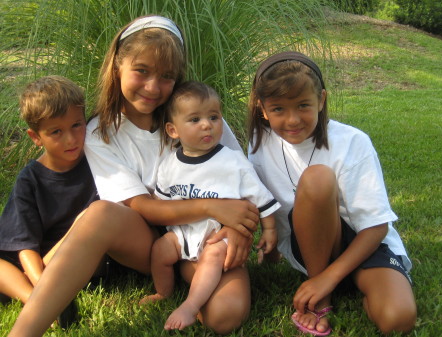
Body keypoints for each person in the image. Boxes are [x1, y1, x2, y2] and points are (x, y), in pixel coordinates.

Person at [9, 15, 259, 337]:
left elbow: (243, 181)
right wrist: (212, 207)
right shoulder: (101, 133)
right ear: (117, 65)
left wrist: (237, 230)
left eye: (167, 76)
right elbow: (140, 205)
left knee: (226, 316)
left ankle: (189, 278)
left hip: (210, 242)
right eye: (141, 70)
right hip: (150, 245)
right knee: (100, 214)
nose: (153, 87)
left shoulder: (198, 117)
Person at [247, 51, 417, 336]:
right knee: (316, 180)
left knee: (398, 320)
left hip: (366, 244)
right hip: (314, 248)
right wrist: (274, 252)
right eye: (278, 109)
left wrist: (330, 277)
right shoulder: (259, 143)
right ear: (262, 109)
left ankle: (345, 284)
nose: (292, 120)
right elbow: (265, 200)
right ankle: (321, 298)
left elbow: (376, 226)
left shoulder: (353, 142)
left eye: (303, 105)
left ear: (321, 100)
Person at [138, 81, 280, 330]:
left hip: (217, 236)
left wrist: (269, 231)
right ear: (173, 130)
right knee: (160, 249)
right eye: (194, 120)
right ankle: (164, 291)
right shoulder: (170, 164)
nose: (207, 124)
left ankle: (191, 306)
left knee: (213, 255)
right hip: (183, 233)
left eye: (213, 117)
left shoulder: (232, 162)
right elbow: (162, 204)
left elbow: (261, 198)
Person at [0, 75, 98, 326]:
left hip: (81, 258)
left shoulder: (98, 162)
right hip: (38, 260)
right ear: (35, 137)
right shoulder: (30, 179)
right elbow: (24, 244)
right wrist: (41, 281)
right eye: (56, 131)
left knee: (89, 217)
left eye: (77, 125)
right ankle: (39, 301)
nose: (71, 139)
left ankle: (44, 300)